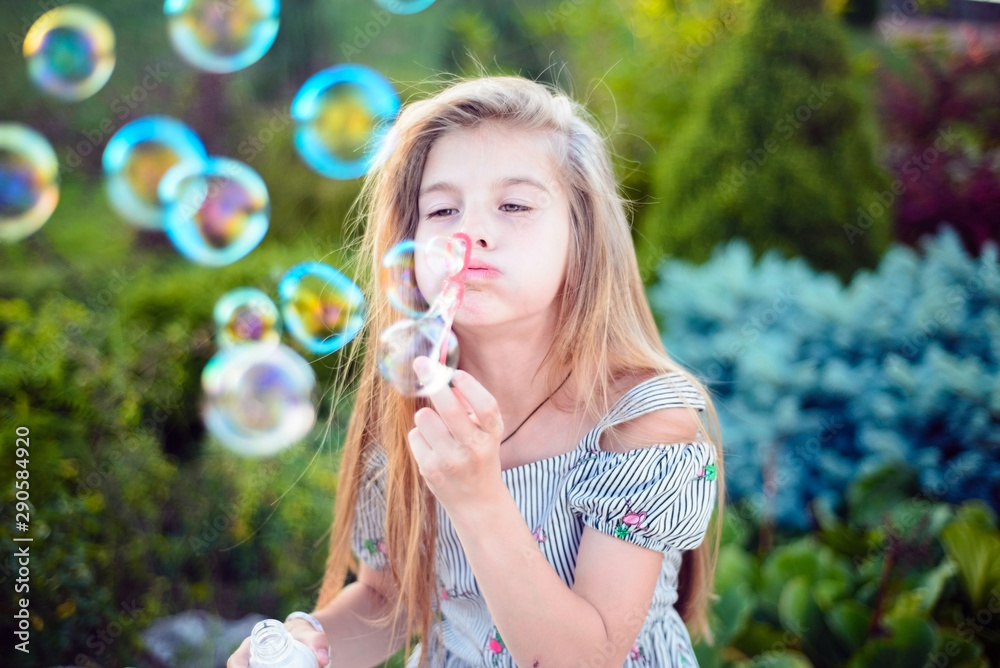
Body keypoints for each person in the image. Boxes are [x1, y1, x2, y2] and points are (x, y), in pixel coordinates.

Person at [229, 74, 725, 668]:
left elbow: (584, 659)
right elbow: (389, 596)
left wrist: (478, 494)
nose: (470, 232)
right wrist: (303, 647)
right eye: (442, 209)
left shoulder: (642, 417)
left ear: (582, 234)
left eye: (514, 205)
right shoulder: (412, 406)